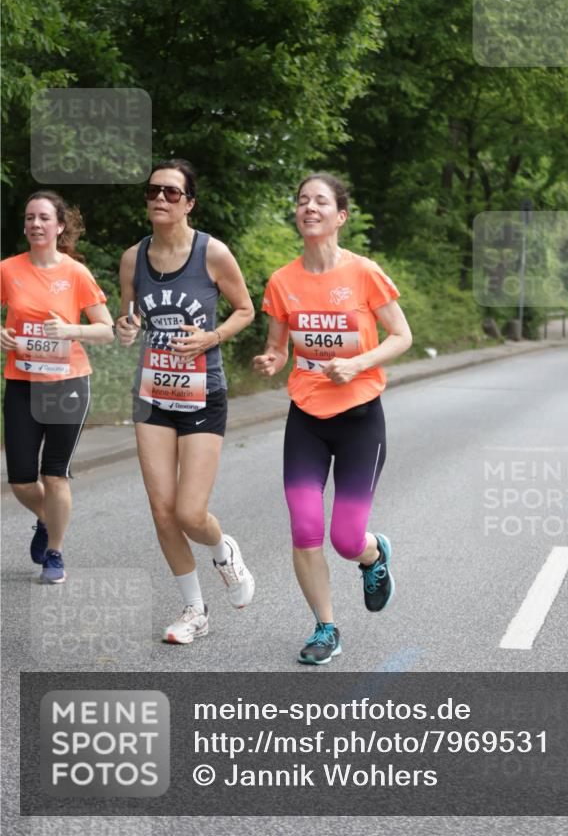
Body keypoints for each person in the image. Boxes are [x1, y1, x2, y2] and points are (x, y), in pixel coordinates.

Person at [253, 173, 412, 665]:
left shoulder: (364, 272)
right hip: (306, 418)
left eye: (321, 201)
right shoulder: (283, 282)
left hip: (361, 416)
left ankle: (372, 555)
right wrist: (270, 360)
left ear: (340, 216)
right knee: (304, 526)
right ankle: (325, 628)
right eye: (302, 200)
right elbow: (278, 348)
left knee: (345, 539)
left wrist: (359, 363)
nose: (309, 207)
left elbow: (401, 335)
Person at [116, 159, 256, 644]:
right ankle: (194, 610)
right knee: (161, 509)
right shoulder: (133, 258)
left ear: (189, 203)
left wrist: (211, 337)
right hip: (152, 392)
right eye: (154, 191)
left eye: (172, 193)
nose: (160, 198)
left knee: (190, 514)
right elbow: (127, 320)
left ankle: (223, 553)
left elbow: (246, 309)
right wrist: (125, 327)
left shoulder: (212, 253)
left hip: (202, 393)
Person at [1, 191, 114, 583]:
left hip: (67, 385)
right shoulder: (8, 269)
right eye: (30, 218)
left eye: (44, 218)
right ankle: (48, 520)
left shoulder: (75, 273)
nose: (35, 224)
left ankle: (55, 553)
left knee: (54, 475)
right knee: (19, 479)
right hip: (21, 384)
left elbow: (106, 329)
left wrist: (70, 329)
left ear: (59, 226)